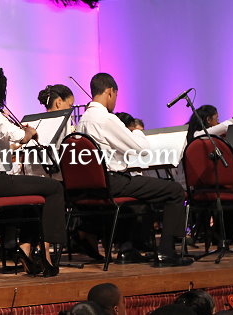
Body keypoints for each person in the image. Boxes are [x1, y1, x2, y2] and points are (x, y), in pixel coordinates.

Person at [0, 64, 67, 276]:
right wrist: (29, 131)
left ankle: (25, 249)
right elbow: (18, 135)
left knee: (33, 201)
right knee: (54, 188)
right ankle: (45, 251)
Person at [76, 73, 192, 267]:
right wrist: (137, 131)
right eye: (116, 95)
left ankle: (127, 250)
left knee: (137, 202)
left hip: (96, 184)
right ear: (110, 91)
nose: (115, 100)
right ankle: (167, 252)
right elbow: (139, 148)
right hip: (113, 181)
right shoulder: (106, 119)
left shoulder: (83, 120)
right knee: (175, 191)